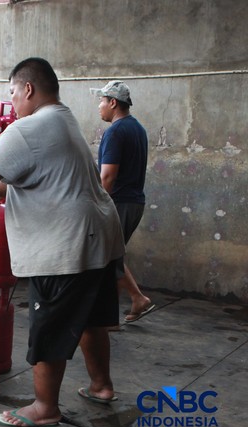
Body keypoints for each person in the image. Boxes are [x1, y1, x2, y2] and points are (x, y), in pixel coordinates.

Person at [0, 58, 125, 427]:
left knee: (50, 327)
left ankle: (44, 408)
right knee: (91, 320)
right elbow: (24, 178)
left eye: (12, 93)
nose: (11, 102)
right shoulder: (63, 118)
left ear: (28, 89)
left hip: (66, 247)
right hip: (101, 236)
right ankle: (101, 385)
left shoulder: (28, 129)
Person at [91, 81, 156, 323]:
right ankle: (133, 302)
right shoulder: (137, 128)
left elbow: (107, 175)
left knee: (106, 259)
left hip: (119, 202)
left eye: (101, 101)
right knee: (112, 257)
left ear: (113, 103)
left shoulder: (115, 132)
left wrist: (96, 205)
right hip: (134, 202)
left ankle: (113, 315)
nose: (99, 107)